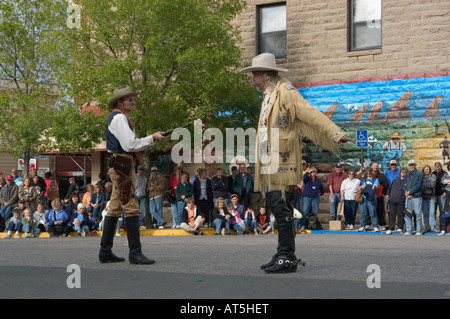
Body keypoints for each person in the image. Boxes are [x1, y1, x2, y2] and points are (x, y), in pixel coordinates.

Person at [241, 53, 354, 273]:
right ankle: (284, 252)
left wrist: (335, 133)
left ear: (265, 74)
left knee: (281, 206)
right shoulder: (269, 95)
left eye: (255, 73)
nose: (253, 77)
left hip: (282, 162)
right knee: (278, 206)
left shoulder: (286, 93)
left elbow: (309, 113)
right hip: (269, 160)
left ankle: (287, 257)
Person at [100, 85, 165, 265]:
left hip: (121, 164)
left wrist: (149, 140)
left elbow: (130, 144)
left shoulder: (120, 117)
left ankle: (105, 251)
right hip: (122, 165)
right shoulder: (120, 118)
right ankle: (135, 253)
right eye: (129, 99)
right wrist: (151, 138)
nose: (133, 101)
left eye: (133, 98)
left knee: (114, 207)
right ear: (120, 102)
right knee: (131, 206)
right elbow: (130, 145)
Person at [298, 167, 324, 233]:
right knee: (305, 211)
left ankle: (313, 224)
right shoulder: (307, 179)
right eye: (312, 172)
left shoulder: (318, 181)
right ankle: (303, 225)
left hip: (315, 198)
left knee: (314, 212)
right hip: (307, 197)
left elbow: (322, 189)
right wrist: (308, 172)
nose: (313, 173)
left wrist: (320, 193)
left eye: (314, 172)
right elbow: (304, 178)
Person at [403, 160, 423, 235]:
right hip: (408, 197)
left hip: (416, 197)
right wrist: (407, 193)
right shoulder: (407, 174)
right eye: (410, 165)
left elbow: (418, 185)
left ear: (415, 165)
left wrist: (410, 192)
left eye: (413, 165)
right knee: (407, 213)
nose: (411, 166)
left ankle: (418, 231)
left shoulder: (419, 174)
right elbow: (403, 184)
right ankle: (409, 230)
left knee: (417, 214)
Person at [358, 168, 380, 232]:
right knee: (363, 213)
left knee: (373, 213)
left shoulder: (375, 180)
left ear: (371, 173)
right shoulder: (363, 180)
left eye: (369, 173)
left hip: (371, 198)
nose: (368, 174)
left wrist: (376, 186)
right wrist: (361, 187)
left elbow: (377, 186)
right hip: (364, 198)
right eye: (367, 173)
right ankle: (362, 226)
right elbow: (358, 188)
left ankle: (375, 226)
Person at [386, 167, 406, 234]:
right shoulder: (396, 179)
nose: (403, 173)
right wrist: (388, 194)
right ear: (400, 173)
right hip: (393, 199)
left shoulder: (407, 180)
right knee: (392, 214)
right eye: (402, 172)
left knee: (400, 214)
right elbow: (390, 187)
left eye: (405, 172)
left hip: (401, 200)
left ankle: (400, 227)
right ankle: (391, 228)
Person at [421, 165, 437, 233]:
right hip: (423, 197)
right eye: (425, 169)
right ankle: (427, 227)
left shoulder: (433, 176)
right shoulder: (421, 176)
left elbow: (432, 185)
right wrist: (427, 184)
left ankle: (433, 228)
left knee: (432, 213)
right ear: (423, 170)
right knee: (425, 213)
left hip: (431, 196)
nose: (426, 170)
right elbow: (420, 186)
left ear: (429, 170)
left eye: (428, 169)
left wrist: (425, 184)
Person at [432, 162, 446, 226]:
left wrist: (445, 192)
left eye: (438, 167)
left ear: (441, 167)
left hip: (442, 195)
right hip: (434, 195)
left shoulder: (445, 174)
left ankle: (442, 226)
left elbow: (448, 184)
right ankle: (434, 226)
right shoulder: (433, 174)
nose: (437, 169)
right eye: (436, 167)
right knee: (433, 211)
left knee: (442, 210)